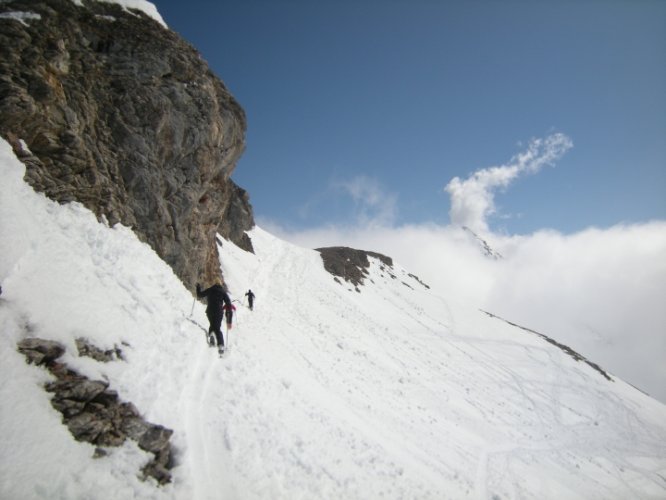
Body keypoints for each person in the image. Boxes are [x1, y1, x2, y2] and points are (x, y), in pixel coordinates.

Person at [196, 280, 232, 354]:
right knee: (217, 328)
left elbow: (200, 295)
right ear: (220, 284)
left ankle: (212, 336)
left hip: (210, 311)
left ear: (214, 283)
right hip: (218, 312)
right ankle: (221, 345)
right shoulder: (223, 292)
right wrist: (228, 315)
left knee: (212, 325)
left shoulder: (210, 289)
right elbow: (228, 303)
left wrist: (198, 287)